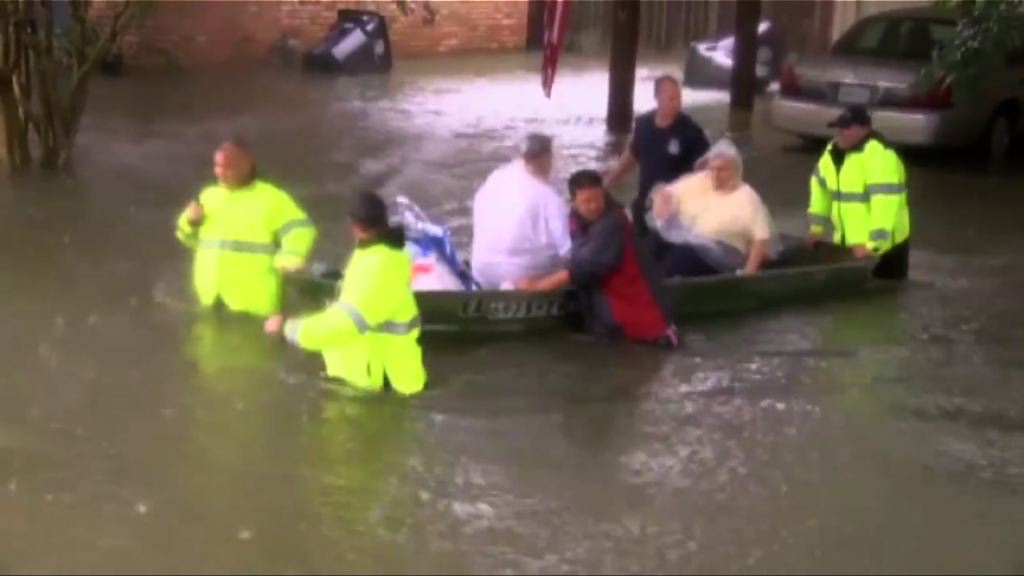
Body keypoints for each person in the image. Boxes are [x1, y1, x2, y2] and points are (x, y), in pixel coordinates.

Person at [264, 191, 426, 396]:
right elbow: (359, 294)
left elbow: (346, 323)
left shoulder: (379, 264)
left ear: (353, 226)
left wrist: (288, 329)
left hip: (379, 385)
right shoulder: (379, 253)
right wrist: (314, 273)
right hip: (377, 377)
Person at [516, 169, 679, 348]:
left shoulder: (613, 222)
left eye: (598, 199)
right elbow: (574, 258)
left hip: (648, 325)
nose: (594, 206)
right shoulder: (575, 219)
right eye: (587, 201)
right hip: (612, 321)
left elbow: (586, 266)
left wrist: (540, 285)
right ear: (573, 201)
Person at [175, 139, 317, 317]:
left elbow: (301, 228)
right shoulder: (208, 196)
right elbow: (187, 238)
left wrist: (290, 255)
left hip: (253, 299)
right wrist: (191, 223)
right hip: (210, 295)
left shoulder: (271, 198)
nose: (220, 172)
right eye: (217, 166)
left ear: (246, 166)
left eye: (228, 167)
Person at [807, 105, 910, 280]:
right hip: (849, 248)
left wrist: (873, 245)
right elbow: (820, 189)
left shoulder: (879, 156)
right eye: (839, 127)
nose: (840, 132)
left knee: (886, 294)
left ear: (864, 129)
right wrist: (816, 229)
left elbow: (885, 205)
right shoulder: (832, 152)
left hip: (884, 250)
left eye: (846, 128)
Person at [650, 138, 775, 277]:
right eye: (712, 169)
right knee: (649, 245)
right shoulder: (702, 180)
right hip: (690, 238)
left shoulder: (747, 196)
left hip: (721, 252)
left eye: (721, 170)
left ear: (734, 170)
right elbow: (665, 191)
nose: (715, 175)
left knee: (675, 262)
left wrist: (748, 273)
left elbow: (761, 238)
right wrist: (660, 199)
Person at [604, 75, 710, 236]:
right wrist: (611, 178)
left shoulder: (691, 131)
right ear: (657, 97)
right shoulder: (643, 124)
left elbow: (706, 169)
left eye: (679, 97)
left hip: (676, 209)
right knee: (637, 243)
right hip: (645, 201)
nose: (677, 103)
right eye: (671, 99)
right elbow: (633, 153)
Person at [470, 133, 571, 289]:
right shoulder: (548, 196)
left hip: (482, 272)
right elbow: (567, 249)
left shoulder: (495, 178)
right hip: (525, 277)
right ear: (547, 159)